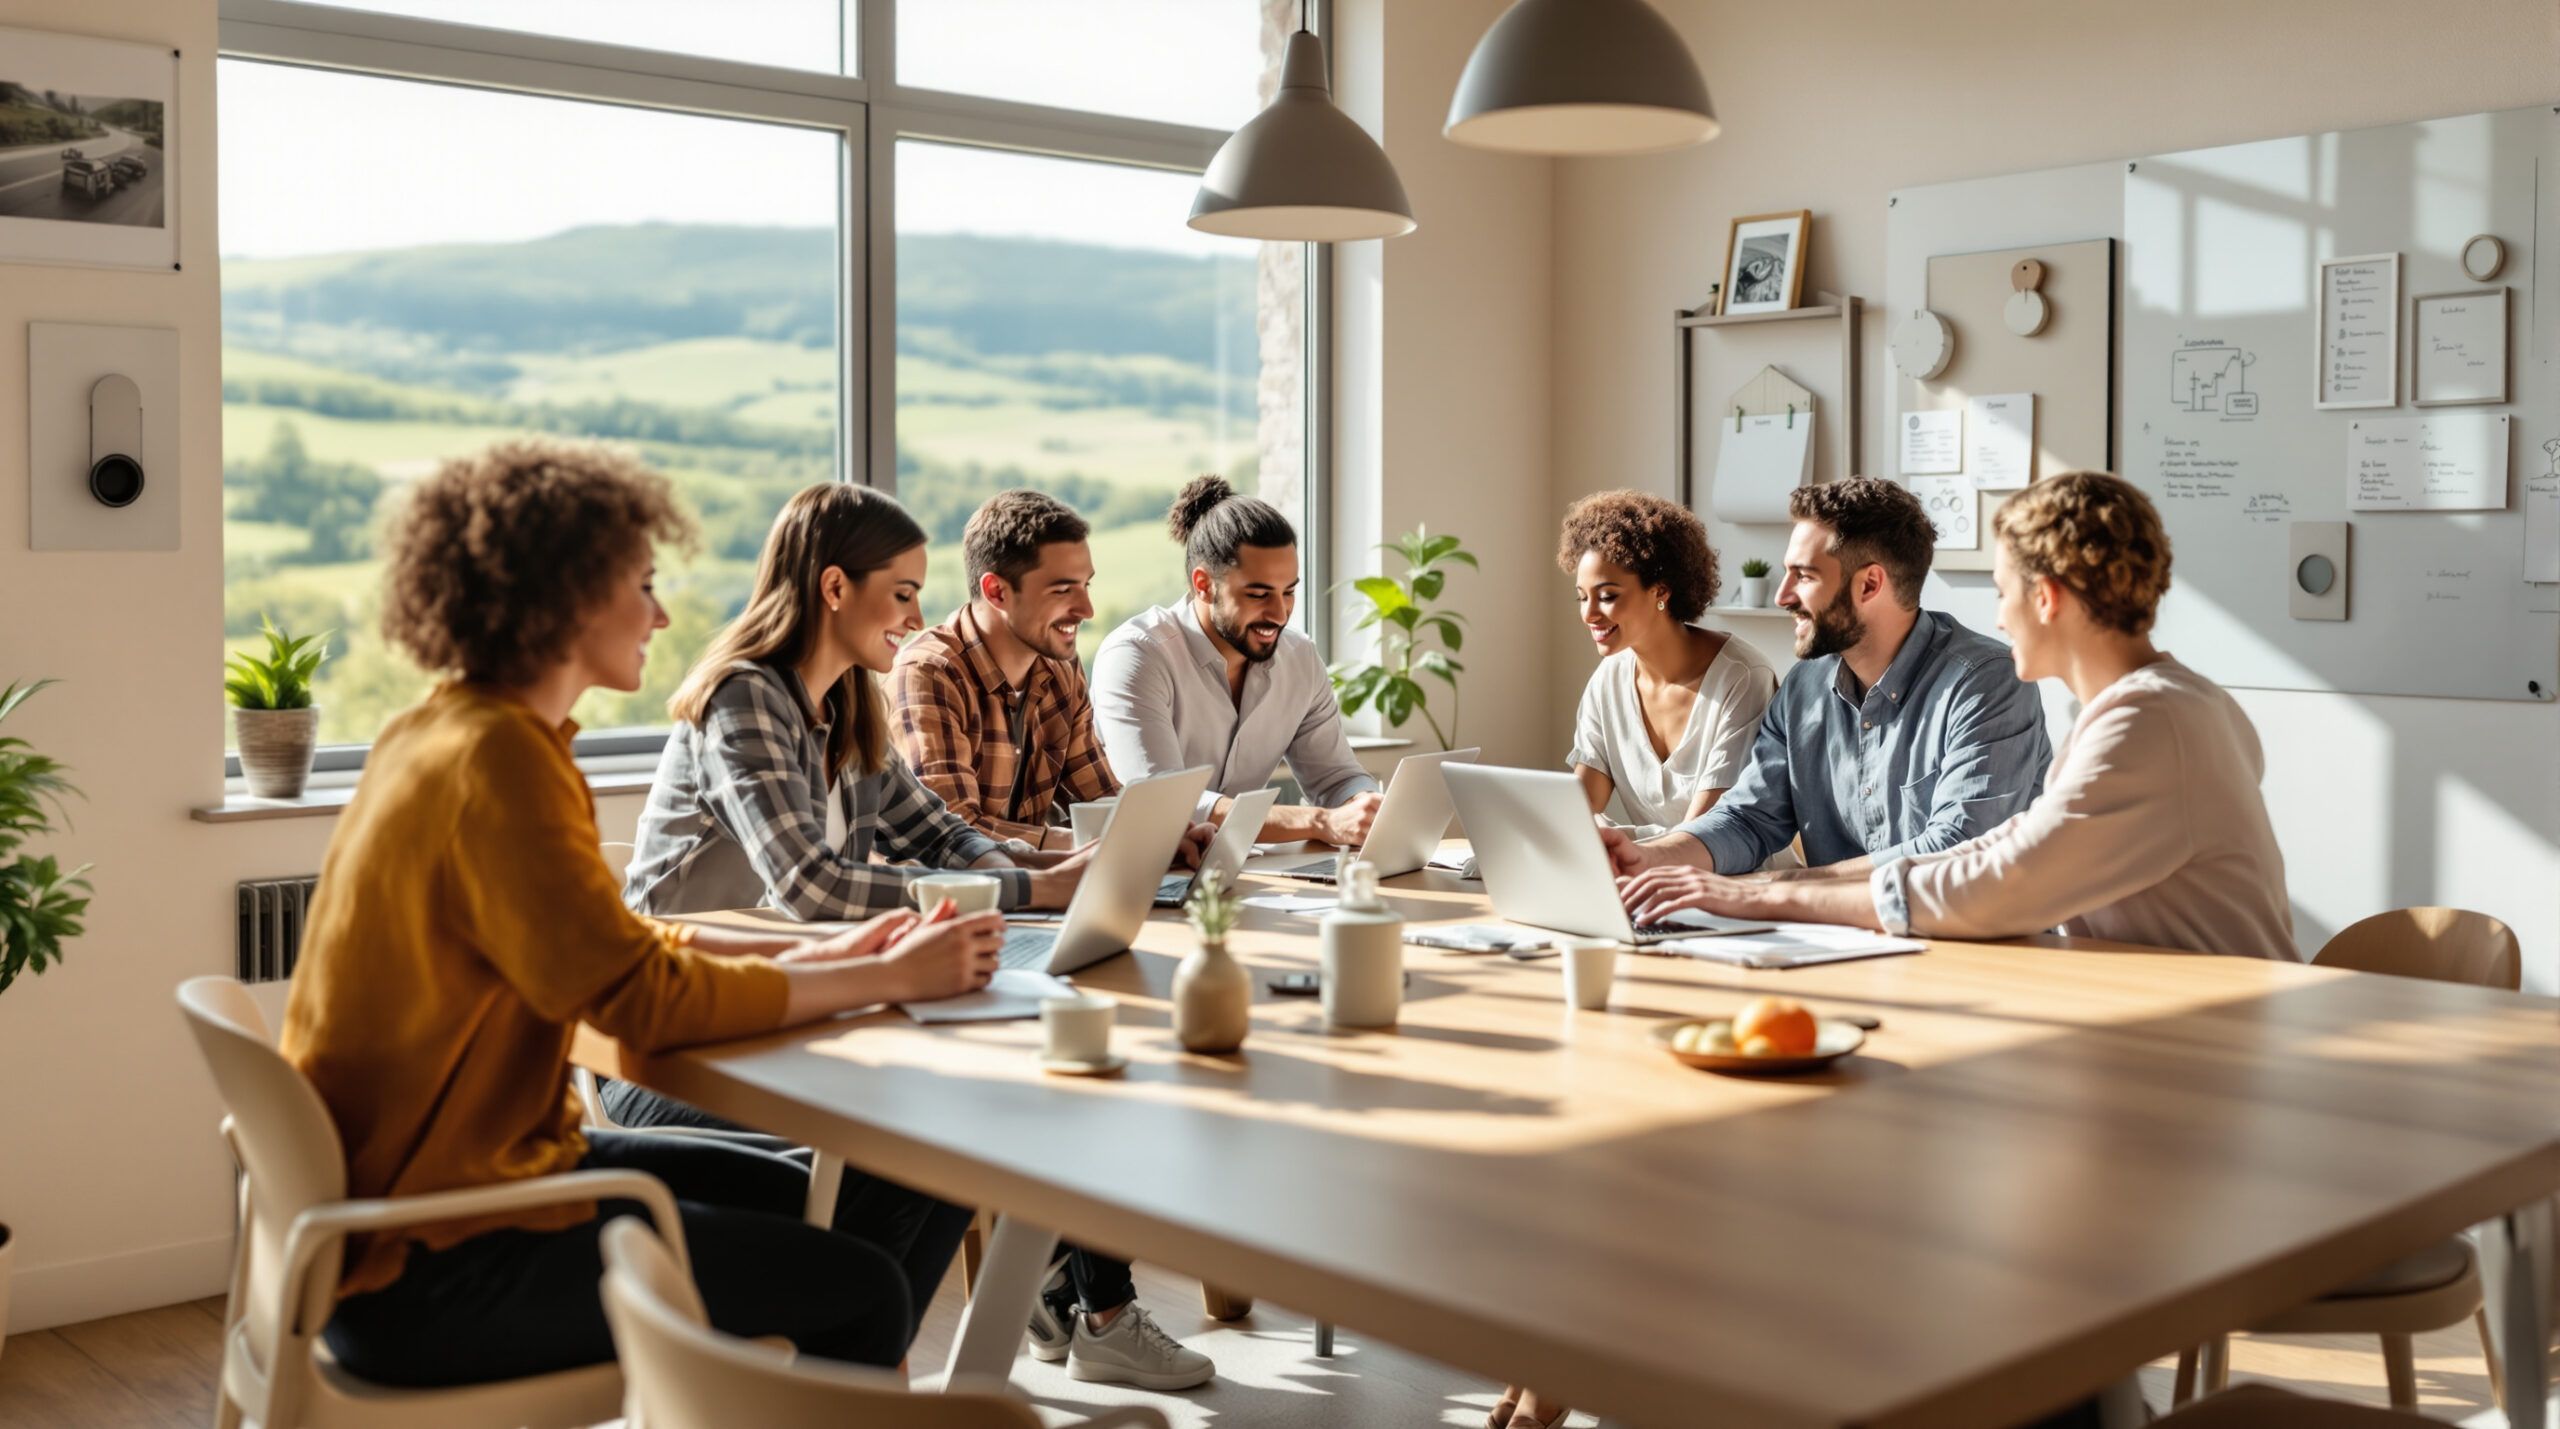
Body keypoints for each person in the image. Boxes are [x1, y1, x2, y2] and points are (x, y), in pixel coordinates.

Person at [279, 438, 1005, 1389]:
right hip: (435, 1262)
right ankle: (813, 1394)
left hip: (445, 1195)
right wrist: (883, 975)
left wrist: (850, 960)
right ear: (569, 594)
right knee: (862, 1285)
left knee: (812, 1209)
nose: (662, 613)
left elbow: (611, 947)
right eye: (644, 583)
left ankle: (802, 1400)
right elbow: (640, 998)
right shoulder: (499, 763)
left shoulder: (442, 731)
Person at [620, 480, 1215, 1391]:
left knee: (959, 1133)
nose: (915, 613)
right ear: (832, 589)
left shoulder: (848, 707)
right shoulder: (745, 700)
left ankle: (872, 1372)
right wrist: (1029, 881)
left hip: (791, 1017)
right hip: (676, 1044)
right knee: (916, 1143)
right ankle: (848, 1373)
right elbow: (811, 885)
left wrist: (1050, 882)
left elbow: (939, 831)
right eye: (901, 591)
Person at [1621, 471, 2296, 962]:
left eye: (2003, 591)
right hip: (2164, 1016)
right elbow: (2003, 849)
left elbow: (1998, 880)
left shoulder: (2149, 722)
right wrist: (1668, 862)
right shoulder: (2159, 706)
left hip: (2221, 1031)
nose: (1998, 616)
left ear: (2048, 597)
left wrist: (1765, 893)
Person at [1603, 477, 2051, 884]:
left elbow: (1954, 851)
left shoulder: (1986, 684)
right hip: (1841, 944)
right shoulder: (1804, 689)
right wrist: (1647, 858)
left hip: (1976, 952)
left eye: (1805, 575)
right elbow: (1748, 819)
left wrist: (1785, 888)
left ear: (1870, 585)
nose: (1783, 596)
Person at [1092, 474, 1383, 844]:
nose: (1280, 613)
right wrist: (1321, 822)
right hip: (1139, 872)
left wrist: (1364, 804)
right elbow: (1164, 803)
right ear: (1203, 584)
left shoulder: (1299, 658)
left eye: (1289, 591)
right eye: (1259, 594)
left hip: (1237, 874)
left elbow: (1336, 778)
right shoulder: (1136, 656)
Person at [892, 489, 1120, 851]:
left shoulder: (1059, 666)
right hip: (947, 899)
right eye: (1062, 590)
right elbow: (951, 832)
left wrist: (1165, 836)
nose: (1087, 609)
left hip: (1033, 893)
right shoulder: (929, 673)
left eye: (1085, 585)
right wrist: (1077, 845)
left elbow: (1101, 797)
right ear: (996, 591)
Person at [1560, 490, 1778, 838]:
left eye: (1607, 596)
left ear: (1661, 591)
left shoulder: (1743, 678)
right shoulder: (1608, 681)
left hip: (1739, 881)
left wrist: (1617, 842)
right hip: (1647, 878)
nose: (1588, 614)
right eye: (1582, 597)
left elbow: (1704, 835)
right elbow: (1577, 813)